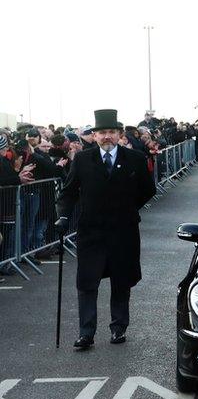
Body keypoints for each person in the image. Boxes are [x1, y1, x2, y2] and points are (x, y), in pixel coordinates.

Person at [55, 109, 156, 350]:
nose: (107, 136)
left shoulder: (135, 159)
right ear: (95, 136)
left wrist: (129, 208)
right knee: (87, 282)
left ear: (119, 134)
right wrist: (64, 217)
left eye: (111, 132)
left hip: (124, 231)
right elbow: (68, 193)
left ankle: (118, 328)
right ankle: (86, 333)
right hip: (91, 232)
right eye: (102, 133)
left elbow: (148, 189)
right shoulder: (81, 160)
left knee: (121, 281)